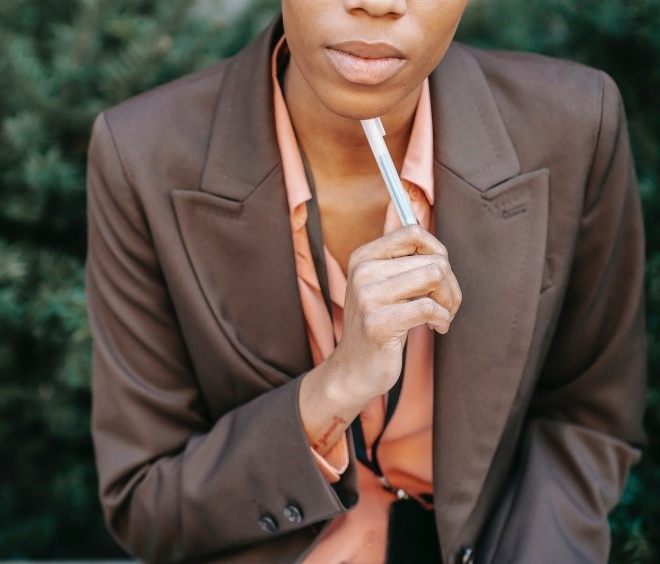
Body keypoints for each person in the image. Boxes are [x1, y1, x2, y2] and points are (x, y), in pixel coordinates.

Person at [85, 1, 646, 562]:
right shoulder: (140, 155)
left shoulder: (575, 124)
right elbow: (146, 505)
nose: (378, 3)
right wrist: (334, 389)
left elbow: (586, 420)